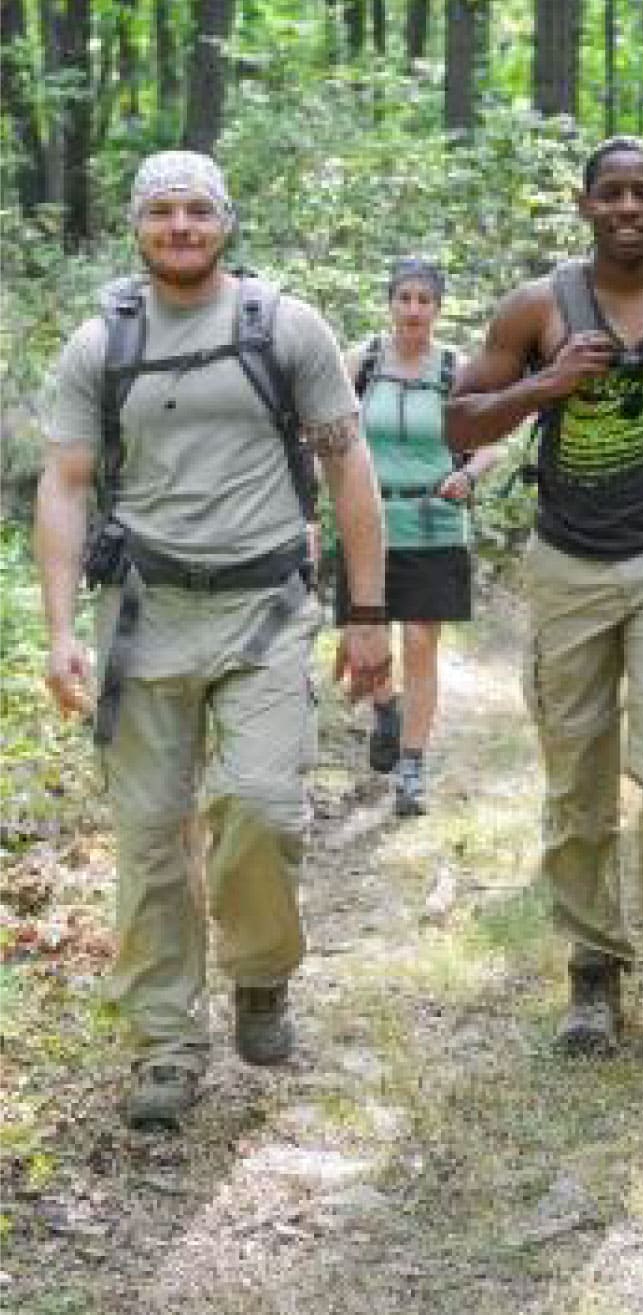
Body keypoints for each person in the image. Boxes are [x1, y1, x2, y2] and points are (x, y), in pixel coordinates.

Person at [34, 150, 390, 1131]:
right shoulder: (99, 344)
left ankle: (263, 972)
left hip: (267, 606)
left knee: (262, 804)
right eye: (161, 212)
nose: (180, 226)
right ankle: (163, 1045)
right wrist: (61, 629)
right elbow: (64, 484)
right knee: (151, 838)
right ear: (137, 227)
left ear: (225, 222)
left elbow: (349, 467)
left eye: (197, 210)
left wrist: (367, 614)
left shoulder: (285, 327)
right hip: (143, 615)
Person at [445, 136, 643, 1062]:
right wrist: (548, 383)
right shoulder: (538, 305)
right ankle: (593, 967)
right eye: (611, 194)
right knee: (578, 774)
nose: (628, 208)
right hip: (568, 564)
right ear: (586, 207)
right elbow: (460, 419)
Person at [336, 258, 503, 816]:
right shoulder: (361, 363)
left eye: (423, 300)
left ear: (437, 306)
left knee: (420, 643)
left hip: (432, 518)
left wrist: (469, 474)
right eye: (403, 298)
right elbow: (327, 432)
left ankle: (411, 767)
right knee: (372, 639)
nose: (413, 309)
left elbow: (492, 437)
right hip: (368, 521)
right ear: (390, 303)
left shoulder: (458, 367)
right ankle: (385, 707)